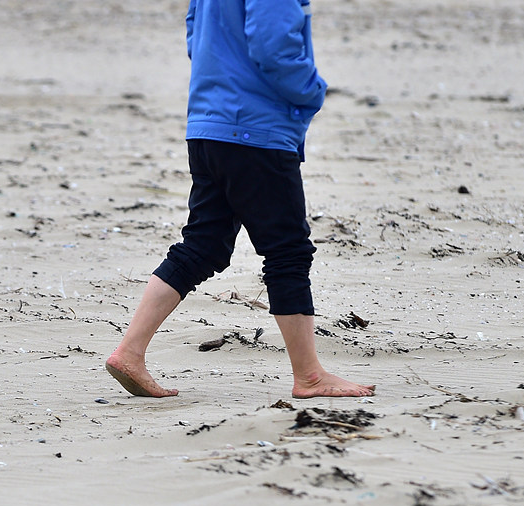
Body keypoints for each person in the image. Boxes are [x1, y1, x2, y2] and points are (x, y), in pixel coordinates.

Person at [105, 0, 375, 399]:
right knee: (287, 251)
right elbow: (272, 44)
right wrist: (311, 91)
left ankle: (129, 352)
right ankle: (310, 376)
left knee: (203, 246)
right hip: (255, 132)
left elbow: (195, 33)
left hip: (209, 125)